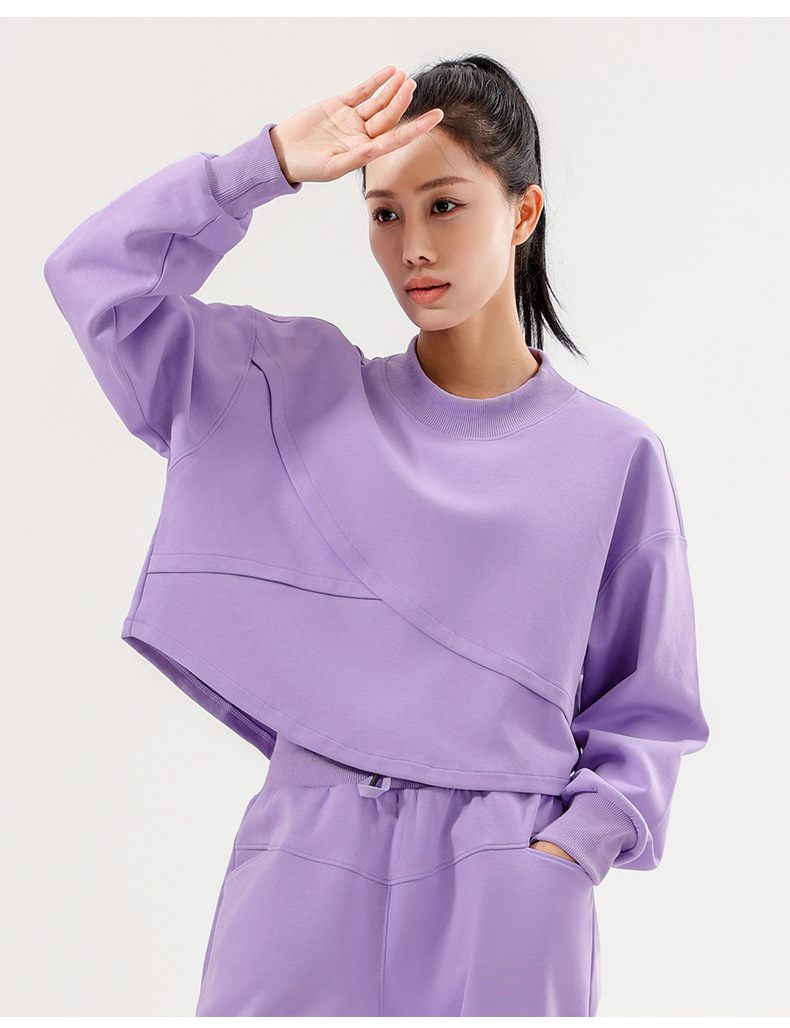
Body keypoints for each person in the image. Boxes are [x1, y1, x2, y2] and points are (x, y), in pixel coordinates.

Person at [43, 55, 710, 1017]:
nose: (414, 247)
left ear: (523, 213)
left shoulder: (613, 456)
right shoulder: (294, 392)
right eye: (385, 214)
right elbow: (98, 284)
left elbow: (648, 707)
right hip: (306, 860)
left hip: (510, 875)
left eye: (445, 206)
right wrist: (264, 164)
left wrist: (569, 852)